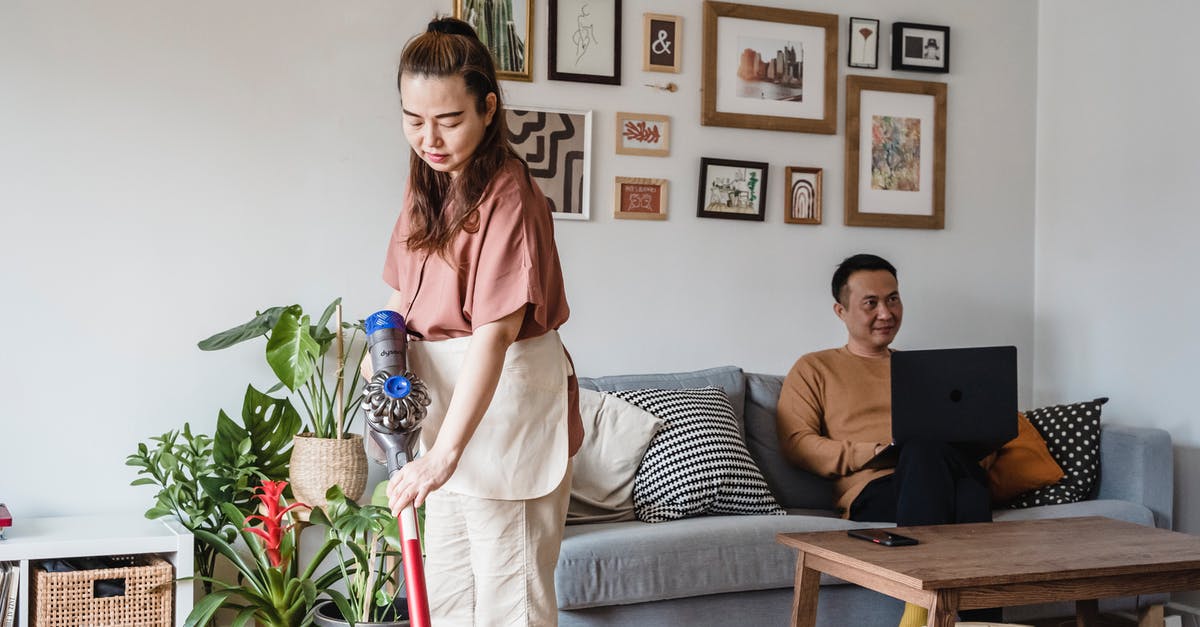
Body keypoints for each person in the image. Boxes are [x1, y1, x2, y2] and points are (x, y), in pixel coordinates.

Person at [366, 16, 581, 626]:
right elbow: (398, 301)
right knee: (451, 601)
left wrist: (445, 455)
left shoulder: (509, 192)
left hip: (501, 416)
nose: (429, 137)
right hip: (440, 420)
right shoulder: (425, 185)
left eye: (449, 119)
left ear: (488, 108)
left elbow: (494, 336)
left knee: (508, 606)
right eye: (414, 120)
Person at [775, 253, 999, 626]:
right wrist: (873, 451)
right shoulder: (815, 368)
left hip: (941, 472)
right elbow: (797, 443)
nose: (886, 312)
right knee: (962, 487)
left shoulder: (924, 371)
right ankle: (952, 616)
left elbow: (960, 439)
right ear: (840, 311)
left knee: (955, 474)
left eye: (893, 299)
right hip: (875, 489)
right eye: (871, 303)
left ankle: (941, 617)